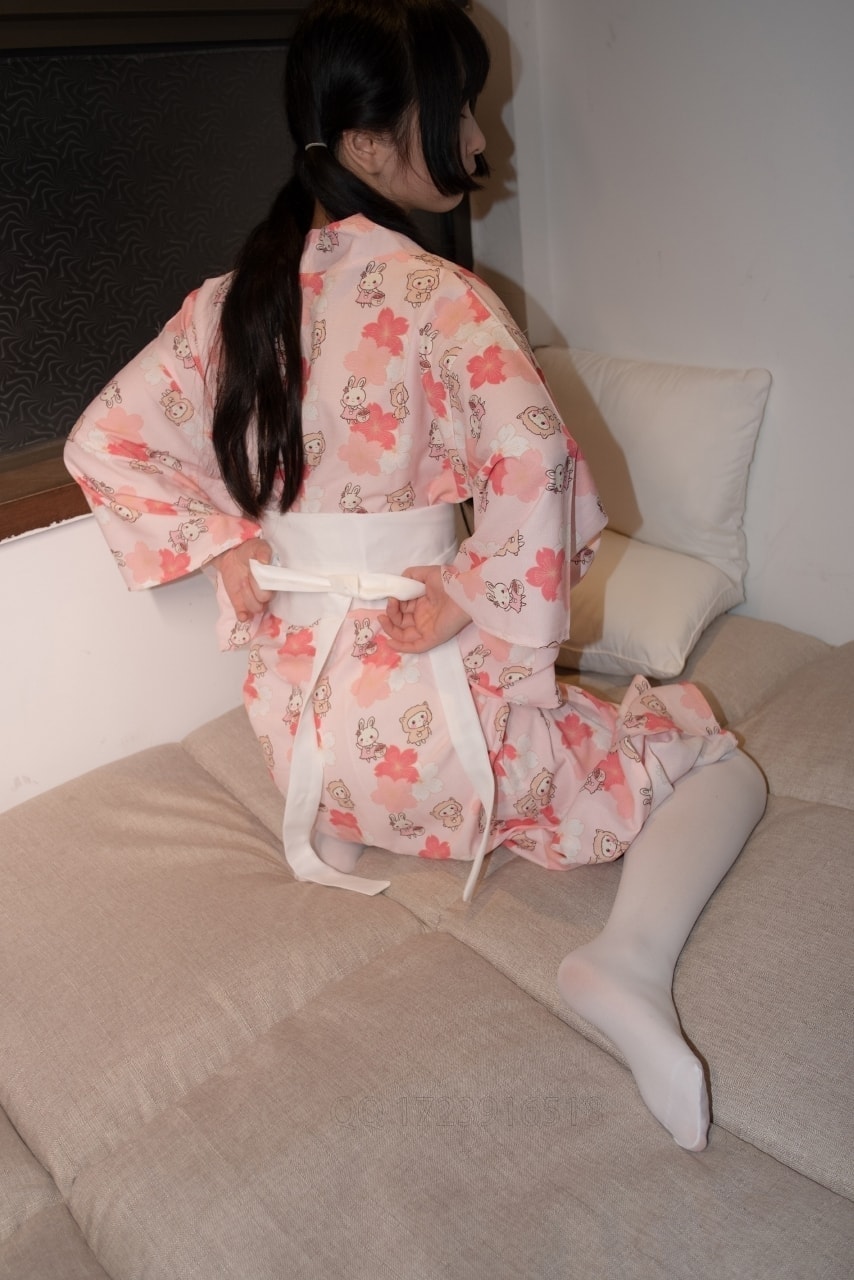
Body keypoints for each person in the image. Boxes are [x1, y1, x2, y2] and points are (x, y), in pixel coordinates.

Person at [64, 0, 766, 1151]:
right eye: (458, 111)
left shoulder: (227, 305)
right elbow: (537, 460)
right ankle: (627, 961)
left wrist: (224, 542)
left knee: (371, 742)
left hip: (299, 737)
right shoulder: (438, 298)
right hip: (439, 737)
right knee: (712, 756)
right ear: (367, 142)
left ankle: (348, 826)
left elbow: (103, 439)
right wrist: (475, 592)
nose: (479, 140)